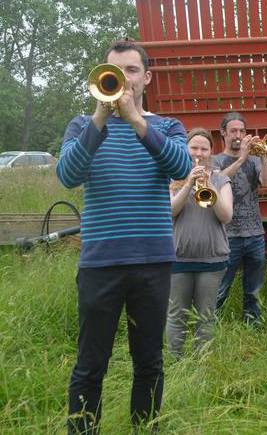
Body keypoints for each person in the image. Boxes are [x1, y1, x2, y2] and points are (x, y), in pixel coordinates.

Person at [57, 38, 192, 433]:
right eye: (114, 71)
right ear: (103, 75)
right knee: (90, 364)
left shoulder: (167, 126)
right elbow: (68, 176)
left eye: (131, 70)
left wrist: (136, 120)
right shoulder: (84, 125)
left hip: (152, 262)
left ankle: (145, 429)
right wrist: (101, 117)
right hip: (100, 263)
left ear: (146, 77)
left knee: (149, 361)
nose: (123, 78)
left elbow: (181, 165)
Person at [166, 128, 233, 358]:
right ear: (186, 149)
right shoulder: (174, 178)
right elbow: (170, 212)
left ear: (210, 151)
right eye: (194, 147)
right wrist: (188, 184)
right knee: (177, 314)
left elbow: (226, 216)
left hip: (212, 258)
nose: (199, 152)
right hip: (178, 257)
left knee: (205, 315)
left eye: (204, 148)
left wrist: (209, 184)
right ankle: (176, 362)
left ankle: (202, 364)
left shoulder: (221, 179)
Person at [213, 112, 267, 326]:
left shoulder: (255, 159)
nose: (238, 135)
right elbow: (218, 181)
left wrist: (264, 155)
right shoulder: (215, 160)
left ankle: (253, 326)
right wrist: (241, 158)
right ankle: (212, 327)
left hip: (255, 233)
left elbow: (266, 182)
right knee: (221, 287)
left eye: (242, 131)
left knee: (254, 289)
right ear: (223, 133)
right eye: (233, 131)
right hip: (228, 234)